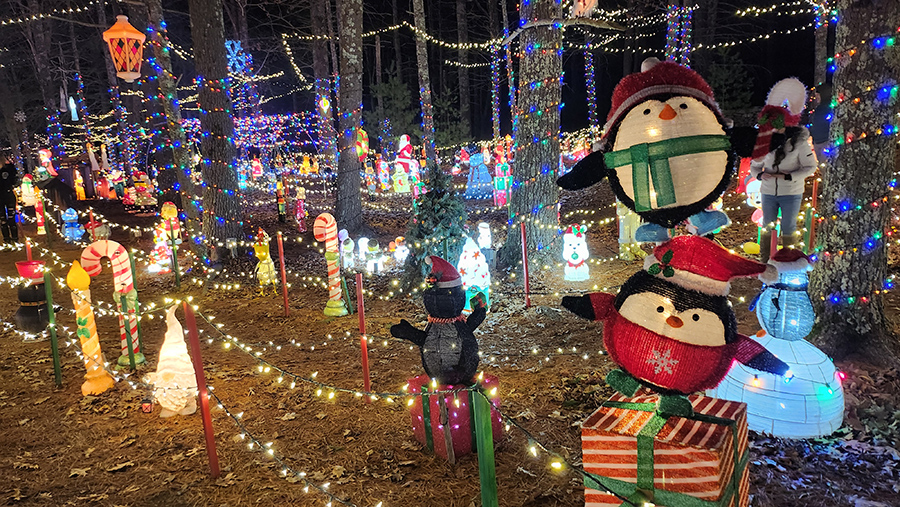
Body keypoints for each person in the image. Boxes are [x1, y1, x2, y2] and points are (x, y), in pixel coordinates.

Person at [750, 126, 816, 260]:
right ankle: (766, 258)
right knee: (768, 224)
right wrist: (760, 175)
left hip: (791, 191)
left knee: (788, 225)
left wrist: (790, 176)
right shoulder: (766, 142)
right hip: (768, 191)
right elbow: (755, 165)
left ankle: (788, 258)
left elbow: (810, 166)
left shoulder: (799, 143)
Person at [0, 155, 19, 243]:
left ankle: (15, 238)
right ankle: (7, 239)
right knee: (3, 220)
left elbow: (14, 180)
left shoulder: (9, 168)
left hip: (8, 195)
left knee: (11, 218)